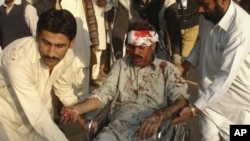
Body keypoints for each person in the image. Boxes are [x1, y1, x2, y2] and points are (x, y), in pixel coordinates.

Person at [60, 21, 189, 140]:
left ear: (152, 45)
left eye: (141, 47)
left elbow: (181, 101)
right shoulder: (121, 65)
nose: (135, 52)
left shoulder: (167, 70)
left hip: (151, 131)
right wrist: (76, 110)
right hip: (117, 128)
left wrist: (159, 115)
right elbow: (102, 94)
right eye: (131, 47)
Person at [172, 0, 250, 140]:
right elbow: (202, 43)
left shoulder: (241, 28)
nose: (200, 10)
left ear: (222, 1)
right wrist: (187, 65)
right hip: (208, 103)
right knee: (207, 137)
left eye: (205, 5)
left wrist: (194, 109)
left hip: (239, 108)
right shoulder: (207, 17)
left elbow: (225, 77)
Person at [0, 8, 79, 140]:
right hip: (6, 124)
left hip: (39, 123)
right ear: (37, 35)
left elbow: (64, 90)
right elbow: (37, 116)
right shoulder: (18, 59)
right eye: (46, 43)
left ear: (71, 43)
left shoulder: (68, 57)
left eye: (59, 46)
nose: (51, 53)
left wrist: (82, 116)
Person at [110, 0, 183, 69]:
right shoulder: (126, 1)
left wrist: (177, 61)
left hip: (159, 48)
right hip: (134, 48)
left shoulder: (168, 1)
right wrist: (118, 57)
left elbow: (174, 31)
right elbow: (119, 30)